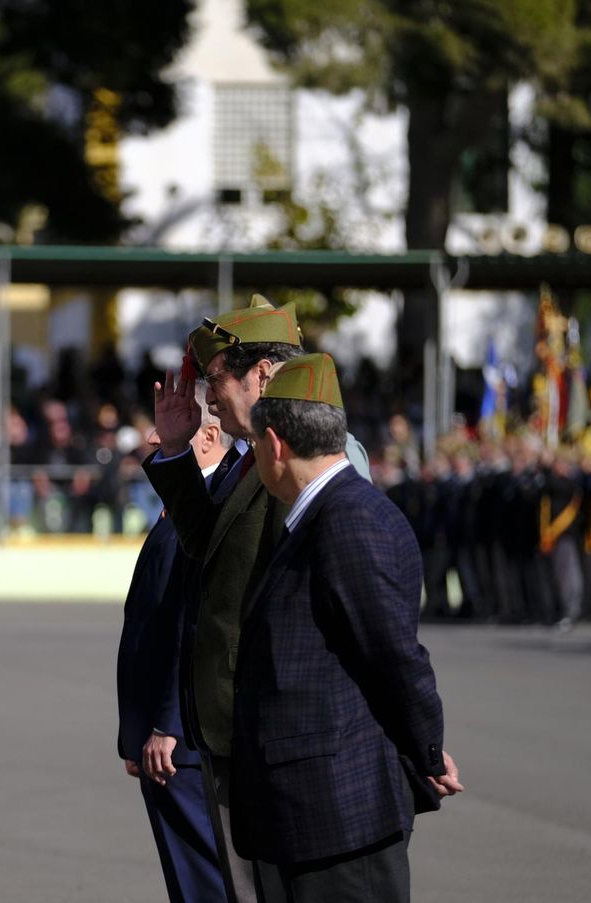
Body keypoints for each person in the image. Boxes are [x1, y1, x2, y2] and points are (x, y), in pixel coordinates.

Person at [144, 296, 368, 903]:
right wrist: (172, 452)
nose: (208, 397)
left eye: (216, 378)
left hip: (283, 729)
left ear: (264, 373)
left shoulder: (315, 455)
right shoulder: (253, 461)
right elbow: (209, 554)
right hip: (235, 725)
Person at [231, 352, 462, 903]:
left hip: (339, 816)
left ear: (276, 446)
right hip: (310, 813)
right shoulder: (324, 514)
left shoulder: (348, 519)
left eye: (258, 445)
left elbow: (393, 657)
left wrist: (427, 749)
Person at [116, 383, 231, 903]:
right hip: (162, 740)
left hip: (180, 745)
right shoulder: (182, 503)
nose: (150, 435)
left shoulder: (209, 505)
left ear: (208, 435)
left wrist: (167, 725)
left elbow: (195, 625)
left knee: (205, 882)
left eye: (168, 425)